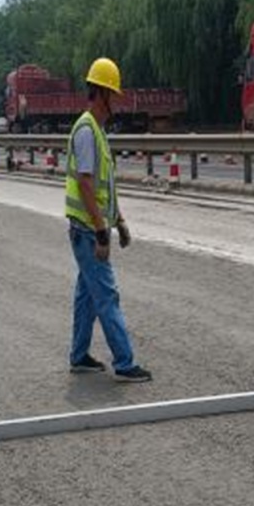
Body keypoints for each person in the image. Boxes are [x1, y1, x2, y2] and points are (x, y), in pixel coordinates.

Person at [64, 57, 152, 383]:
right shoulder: (87, 131)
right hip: (88, 230)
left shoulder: (97, 130)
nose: (117, 99)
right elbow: (86, 184)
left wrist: (120, 220)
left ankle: (79, 356)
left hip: (90, 227)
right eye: (113, 93)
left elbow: (104, 187)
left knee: (87, 296)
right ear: (102, 93)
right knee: (107, 295)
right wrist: (102, 232)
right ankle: (125, 363)